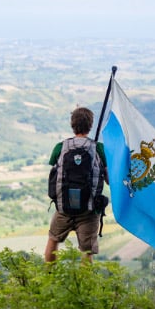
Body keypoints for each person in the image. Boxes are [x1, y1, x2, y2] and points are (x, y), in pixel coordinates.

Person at [45, 107, 109, 263]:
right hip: (89, 210)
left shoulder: (60, 147)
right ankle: (84, 285)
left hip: (64, 208)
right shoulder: (99, 148)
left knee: (53, 240)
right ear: (90, 125)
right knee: (87, 251)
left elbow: (54, 170)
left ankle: (48, 278)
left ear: (72, 125)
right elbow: (108, 179)